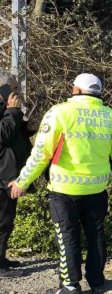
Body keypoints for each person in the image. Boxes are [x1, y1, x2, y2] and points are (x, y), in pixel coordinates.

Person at [9, 73, 112, 294]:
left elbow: (41, 154)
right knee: (96, 234)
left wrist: (22, 181)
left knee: (67, 235)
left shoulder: (60, 113)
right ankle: (98, 282)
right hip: (97, 188)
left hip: (64, 190)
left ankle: (70, 285)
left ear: (76, 90)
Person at [0, 72, 35, 278]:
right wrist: (13, 112)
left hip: (10, 175)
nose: (17, 92)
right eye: (13, 89)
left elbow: (14, 134)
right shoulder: (7, 111)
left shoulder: (8, 110)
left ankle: (2, 257)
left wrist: (27, 127)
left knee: (7, 219)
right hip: (1, 176)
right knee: (2, 221)